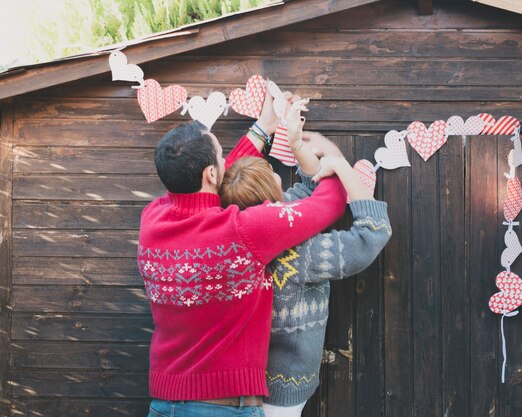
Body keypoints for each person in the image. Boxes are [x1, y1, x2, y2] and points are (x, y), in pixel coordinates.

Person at [138, 90, 347, 417]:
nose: (227, 161)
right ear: (211, 174)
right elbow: (328, 204)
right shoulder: (244, 230)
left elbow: (209, 180)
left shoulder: (152, 218)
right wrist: (329, 157)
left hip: (163, 405)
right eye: (222, 157)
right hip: (224, 408)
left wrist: (263, 127)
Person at [219, 99, 392, 417]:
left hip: (240, 381)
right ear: (271, 194)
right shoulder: (296, 254)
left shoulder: (229, 236)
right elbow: (371, 237)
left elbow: (304, 192)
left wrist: (296, 144)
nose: (276, 173)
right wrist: (339, 165)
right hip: (282, 393)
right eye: (271, 173)